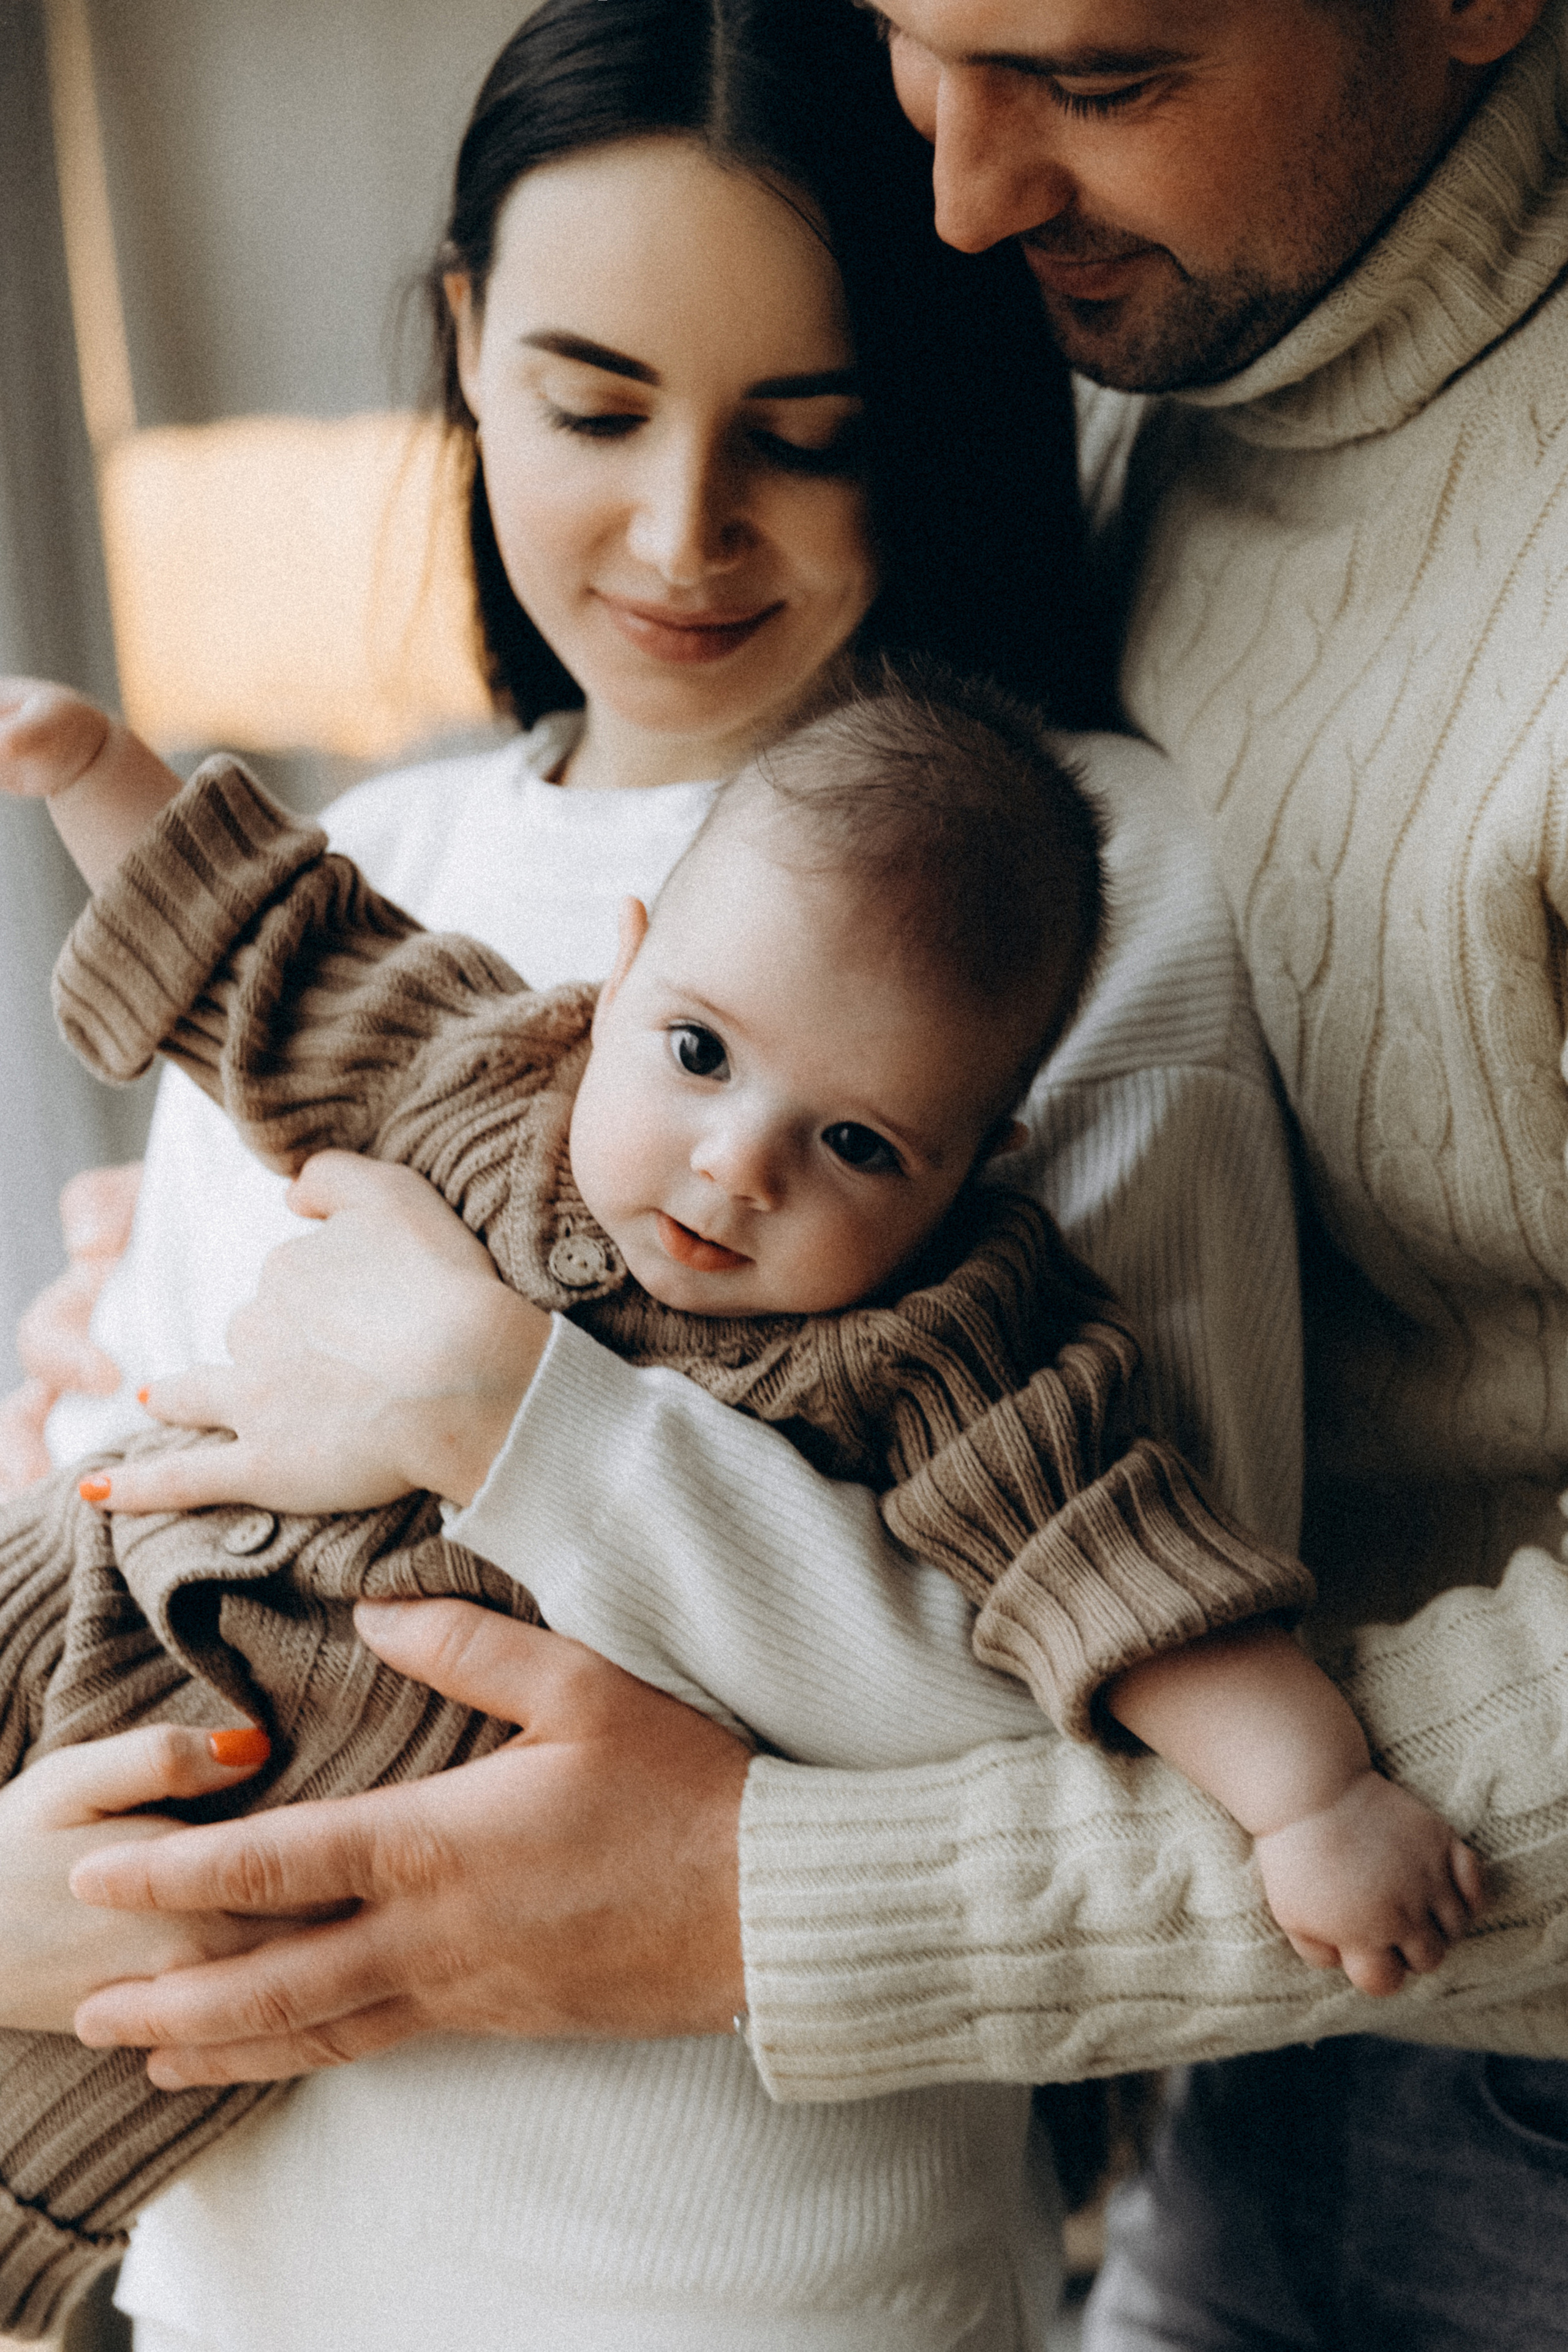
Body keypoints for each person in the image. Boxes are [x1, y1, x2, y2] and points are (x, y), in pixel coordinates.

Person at [8, 0, 1566, 2343]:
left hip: (749, 2285)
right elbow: (130, 1517)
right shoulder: (376, 880)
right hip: (253, 2271)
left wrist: (513, 1412)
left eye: (805, 437)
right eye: (589, 407)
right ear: (469, 343)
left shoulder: (1071, 904)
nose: (679, 533)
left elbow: (1108, 1648)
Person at [854, 0, 1568, 2346]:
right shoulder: (1140, 355)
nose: (961, 196)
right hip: (1264, 2035)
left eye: (1098, 80)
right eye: (903, 37)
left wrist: (771, 1901)